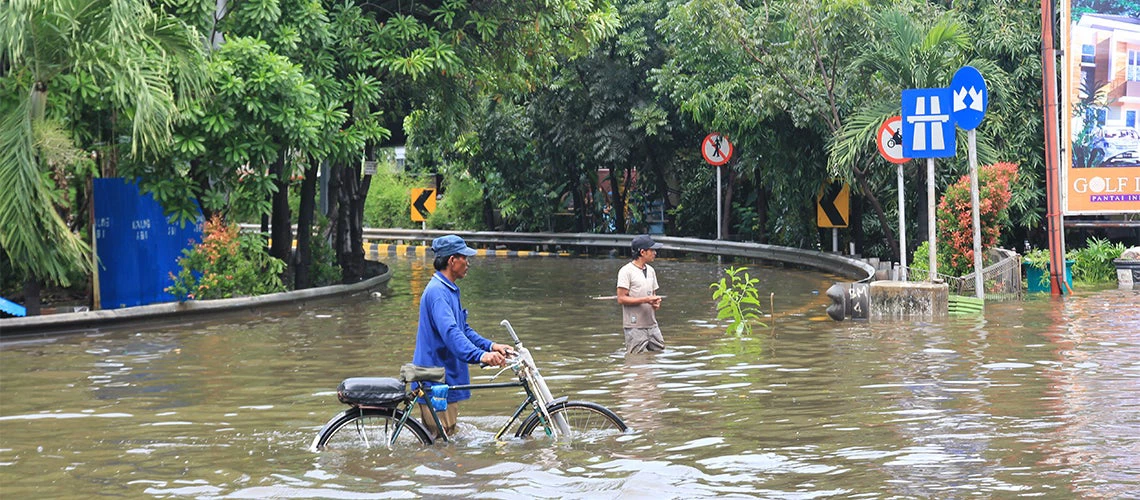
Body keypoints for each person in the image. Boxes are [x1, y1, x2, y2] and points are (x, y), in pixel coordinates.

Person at [413, 234, 513, 438]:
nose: (468, 263)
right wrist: (480, 356)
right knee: (442, 445)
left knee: (446, 440)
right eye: (464, 258)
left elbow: (463, 329)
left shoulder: (448, 290)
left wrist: (491, 346)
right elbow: (451, 334)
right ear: (452, 261)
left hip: (445, 377)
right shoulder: (438, 293)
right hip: (436, 382)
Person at [616, 234, 664, 354]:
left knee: (659, 355)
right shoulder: (626, 271)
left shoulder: (651, 270)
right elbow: (621, 299)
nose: (655, 253)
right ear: (642, 252)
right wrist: (646, 299)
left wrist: (656, 303)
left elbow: (653, 295)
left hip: (652, 324)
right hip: (634, 326)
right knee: (635, 361)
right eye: (652, 250)